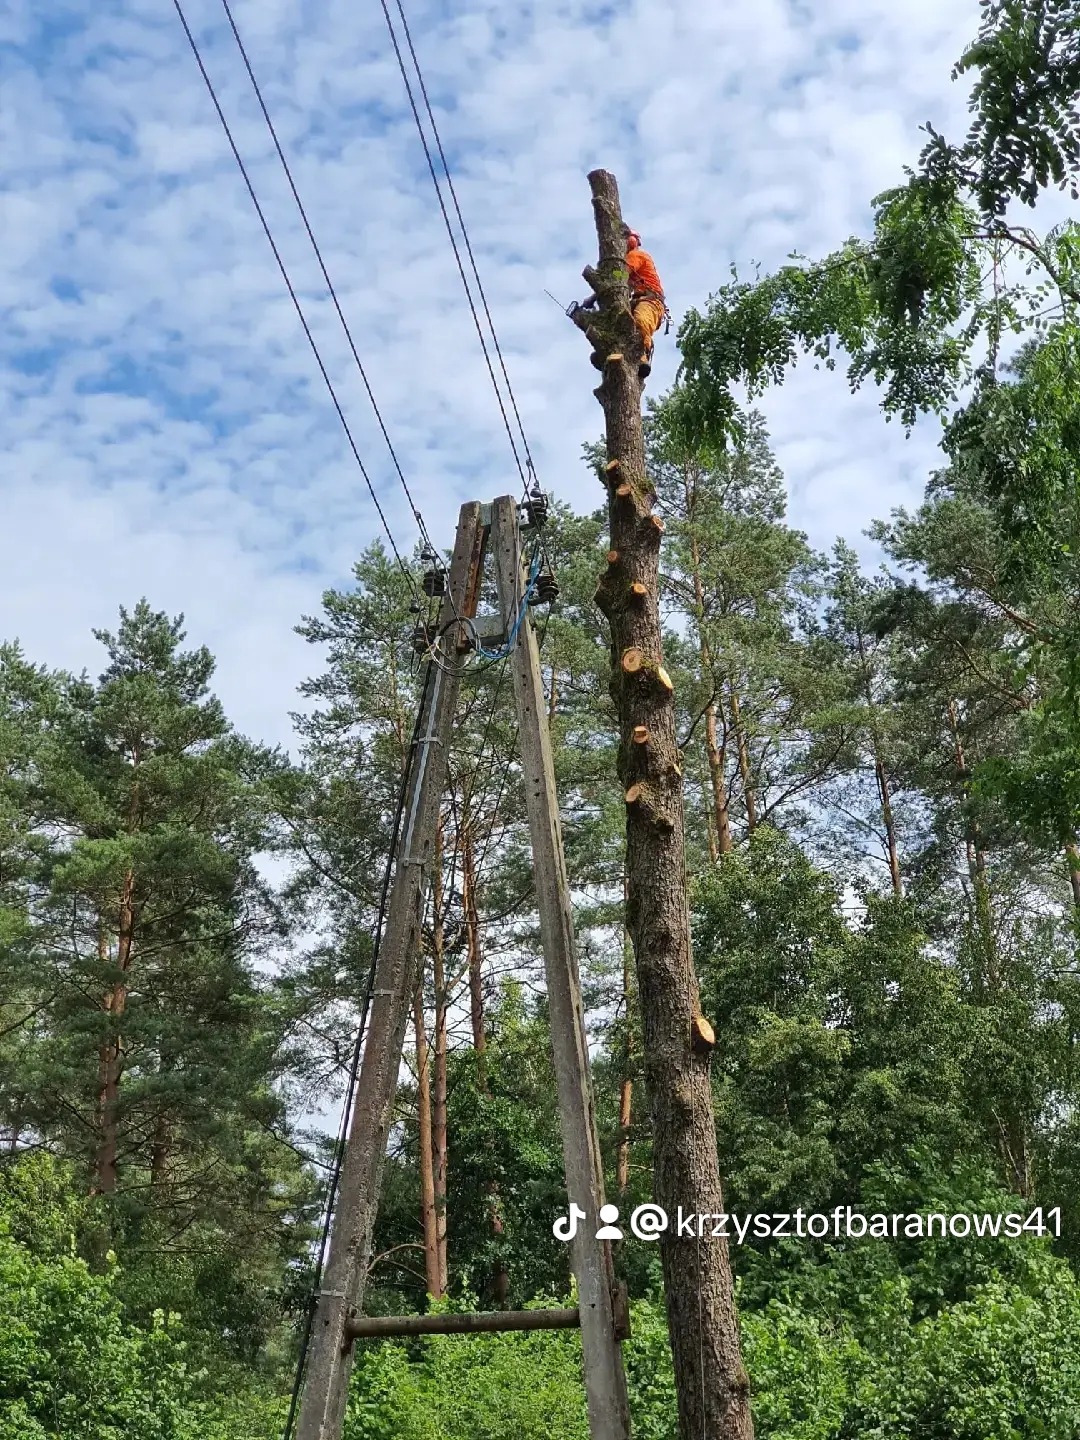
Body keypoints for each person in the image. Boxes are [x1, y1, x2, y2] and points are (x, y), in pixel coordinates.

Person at [573, 224, 667, 380]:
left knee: (640, 321)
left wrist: (593, 296)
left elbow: (620, 276)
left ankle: (643, 356)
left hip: (650, 301)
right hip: (637, 300)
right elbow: (619, 280)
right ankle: (608, 349)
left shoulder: (637, 256)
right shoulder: (626, 264)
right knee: (616, 317)